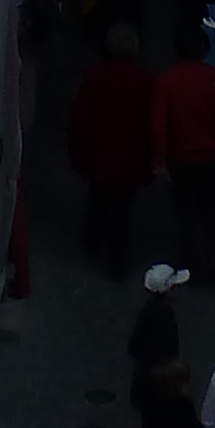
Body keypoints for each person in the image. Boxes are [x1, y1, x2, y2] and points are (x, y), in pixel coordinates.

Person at [65, 20, 156, 277]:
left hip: (99, 152)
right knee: (123, 212)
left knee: (98, 198)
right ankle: (117, 262)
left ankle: (91, 242)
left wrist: (76, 148)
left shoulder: (94, 76)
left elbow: (80, 115)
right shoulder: (146, 81)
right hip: (132, 155)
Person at [151, 20, 215, 282]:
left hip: (181, 160)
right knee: (212, 214)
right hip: (213, 158)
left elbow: (157, 125)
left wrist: (159, 161)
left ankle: (196, 270)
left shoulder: (166, 81)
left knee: (187, 216)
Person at [124, 259, 186, 428]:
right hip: (159, 392)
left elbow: (133, 346)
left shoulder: (148, 311)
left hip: (144, 388)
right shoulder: (166, 322)